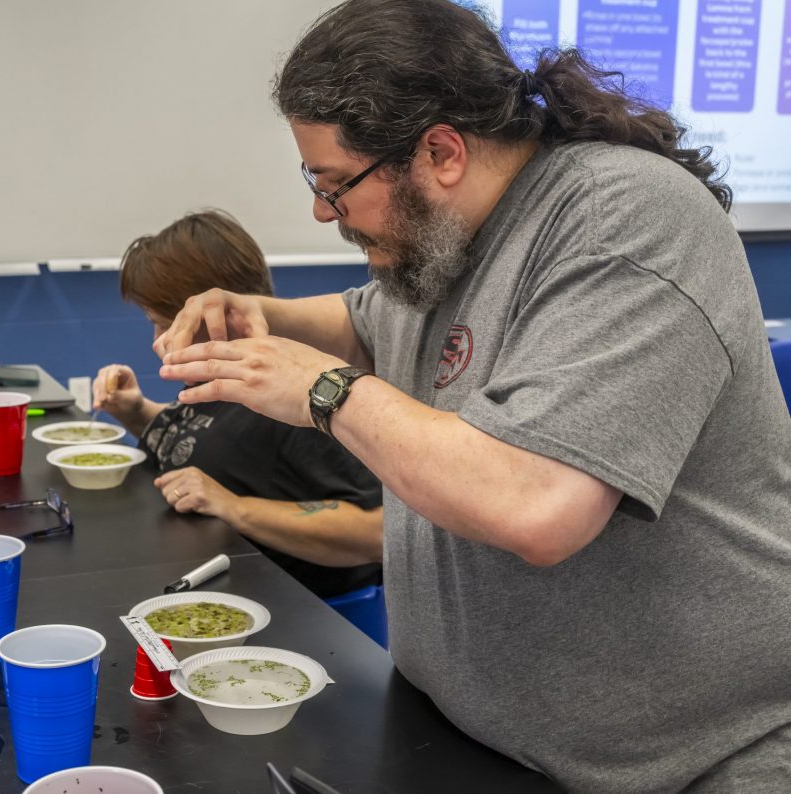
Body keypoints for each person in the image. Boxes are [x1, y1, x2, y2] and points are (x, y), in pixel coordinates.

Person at [151, 1, 791, 791]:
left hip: (681, 765)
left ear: (442, 152)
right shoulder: (449, 235)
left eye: (336, 185)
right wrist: (263, 315)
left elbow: (538, 505)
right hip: (473, 739)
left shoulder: (621, 221)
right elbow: (364, 320)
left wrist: (322, 390)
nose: (324, 211)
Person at [92, 209, 382, 600]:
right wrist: (136, 412)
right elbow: (214, 441)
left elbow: (374, 529)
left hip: (300, 615)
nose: (158, 340)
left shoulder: (293, 399)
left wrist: (234, 507)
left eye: (166, 323)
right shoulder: (223, 384)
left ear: (217, 315)